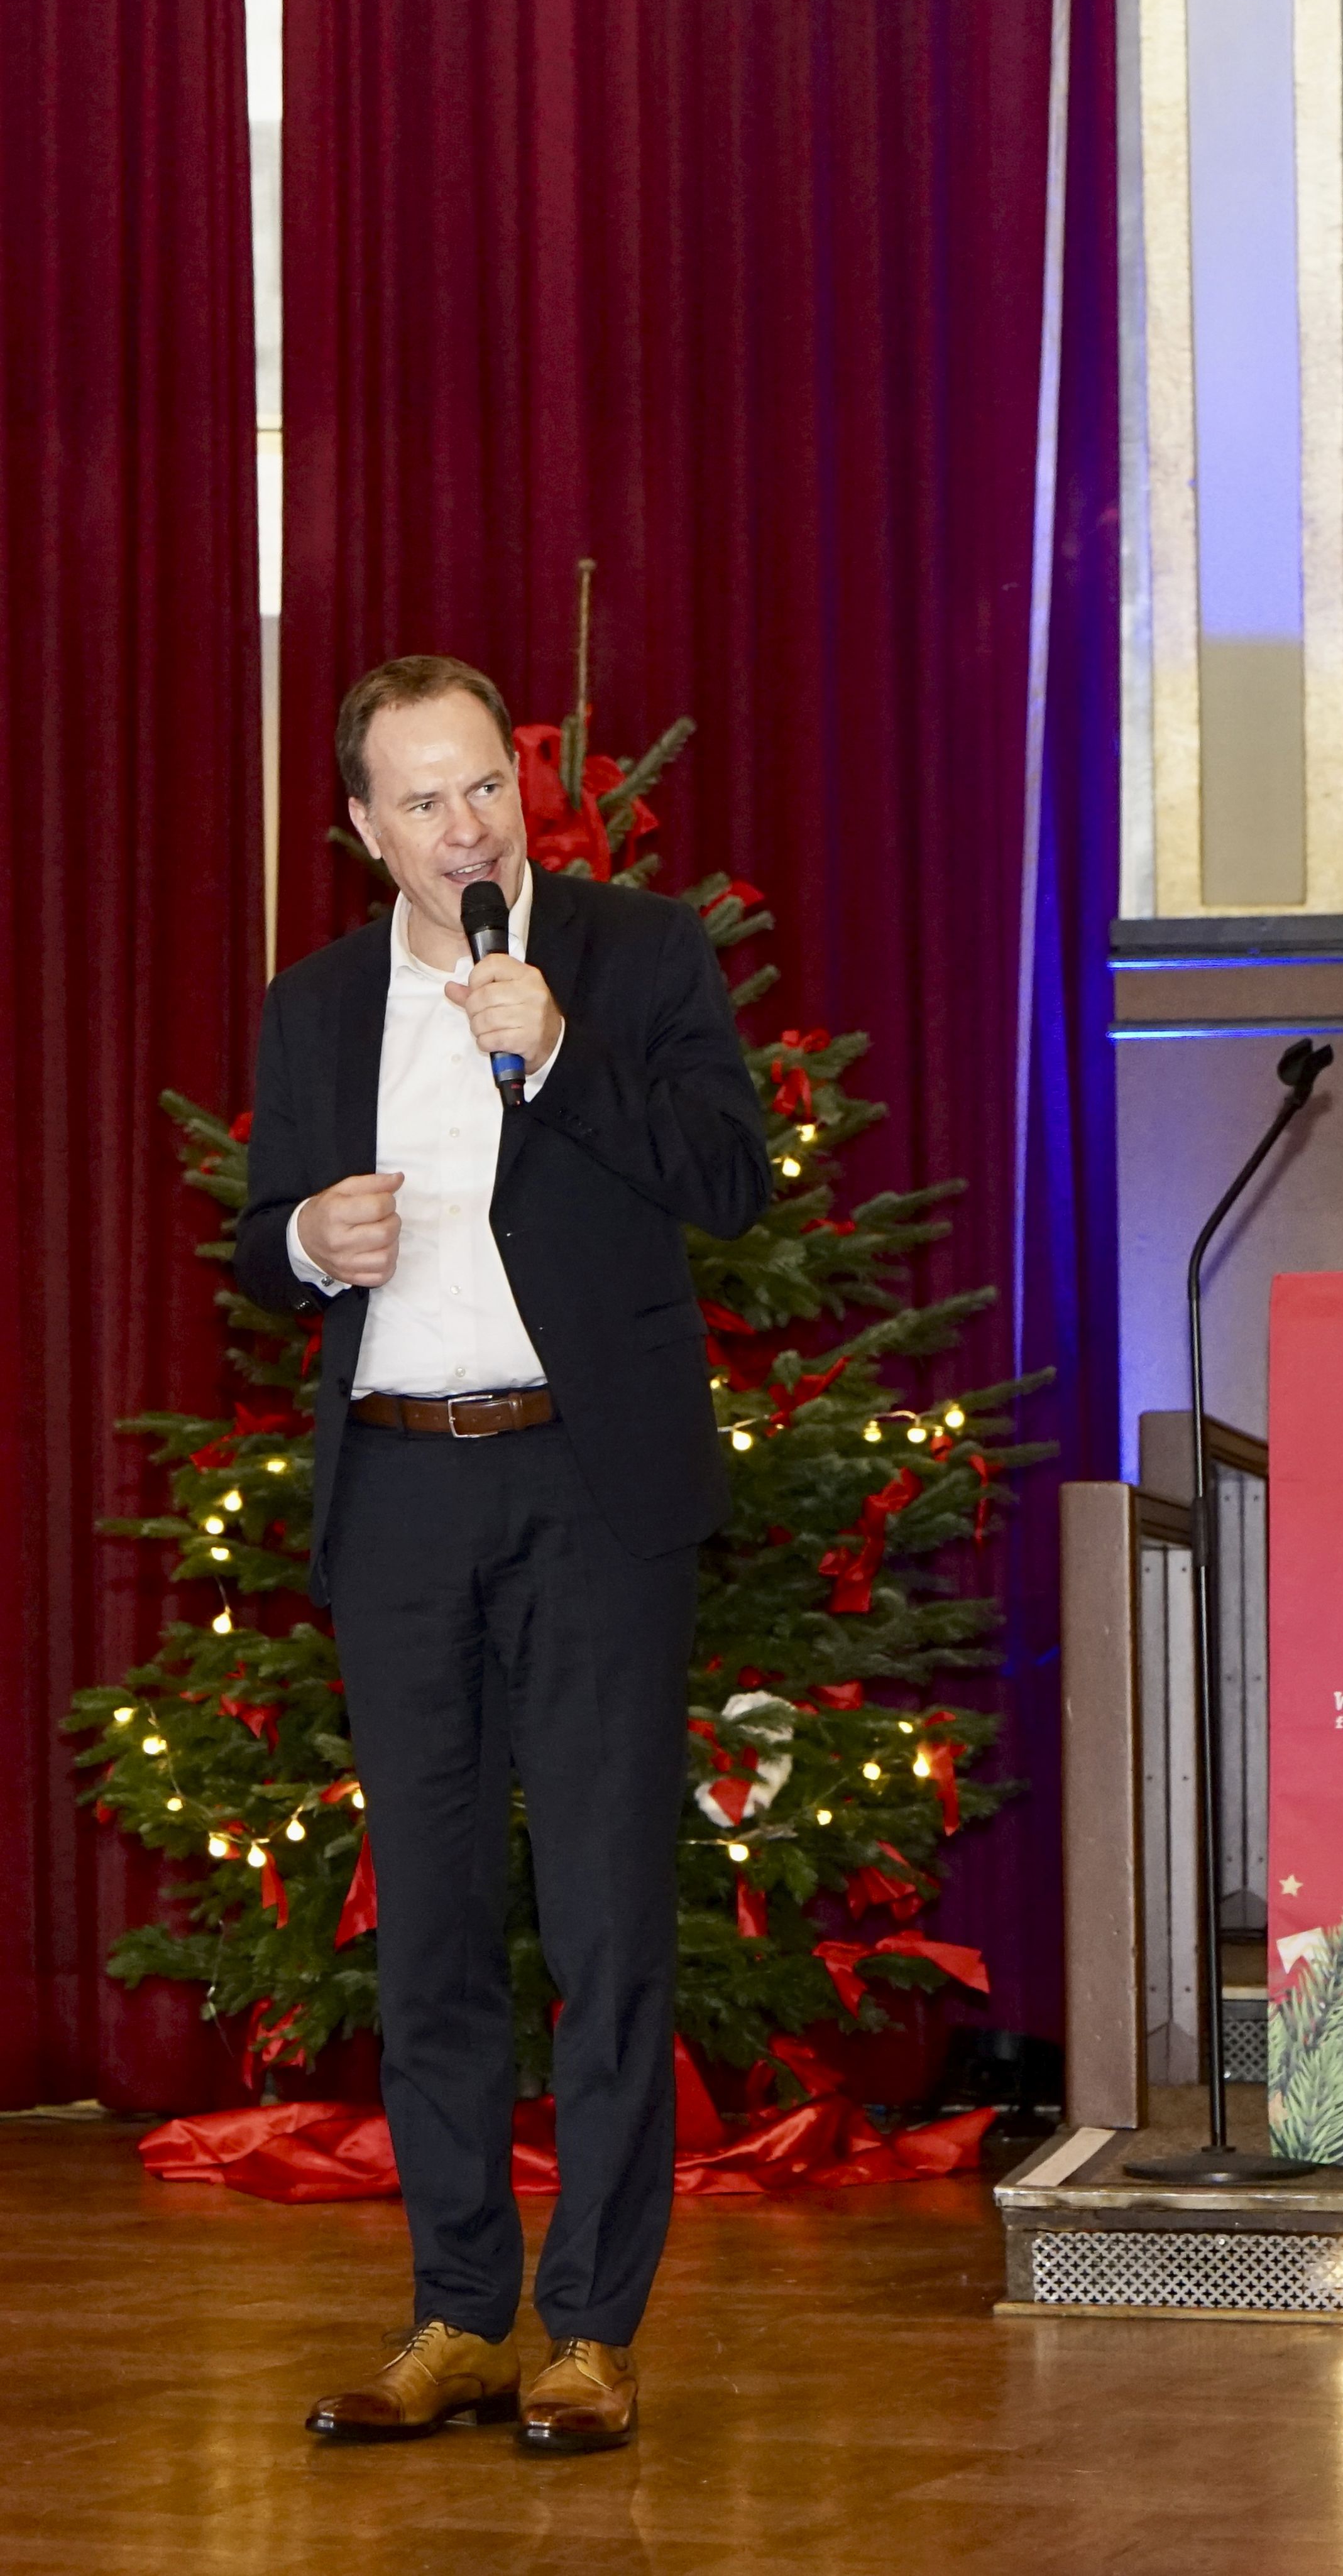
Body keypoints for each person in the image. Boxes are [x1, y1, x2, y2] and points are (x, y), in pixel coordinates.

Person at [235, 655, 770, 2453]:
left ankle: (592, 2329)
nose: (470, 824)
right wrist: (309, 1235)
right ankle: (460, 2310)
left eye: (489, 786)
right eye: (428, 799)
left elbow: (730, 1173)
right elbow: (260, 1243)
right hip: (397, 1492)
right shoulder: (313, 1009)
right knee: (436, 1932)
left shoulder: (633, 952)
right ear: (366, 829)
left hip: (587, 1490)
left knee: (610, 1919)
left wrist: (560, 1054)